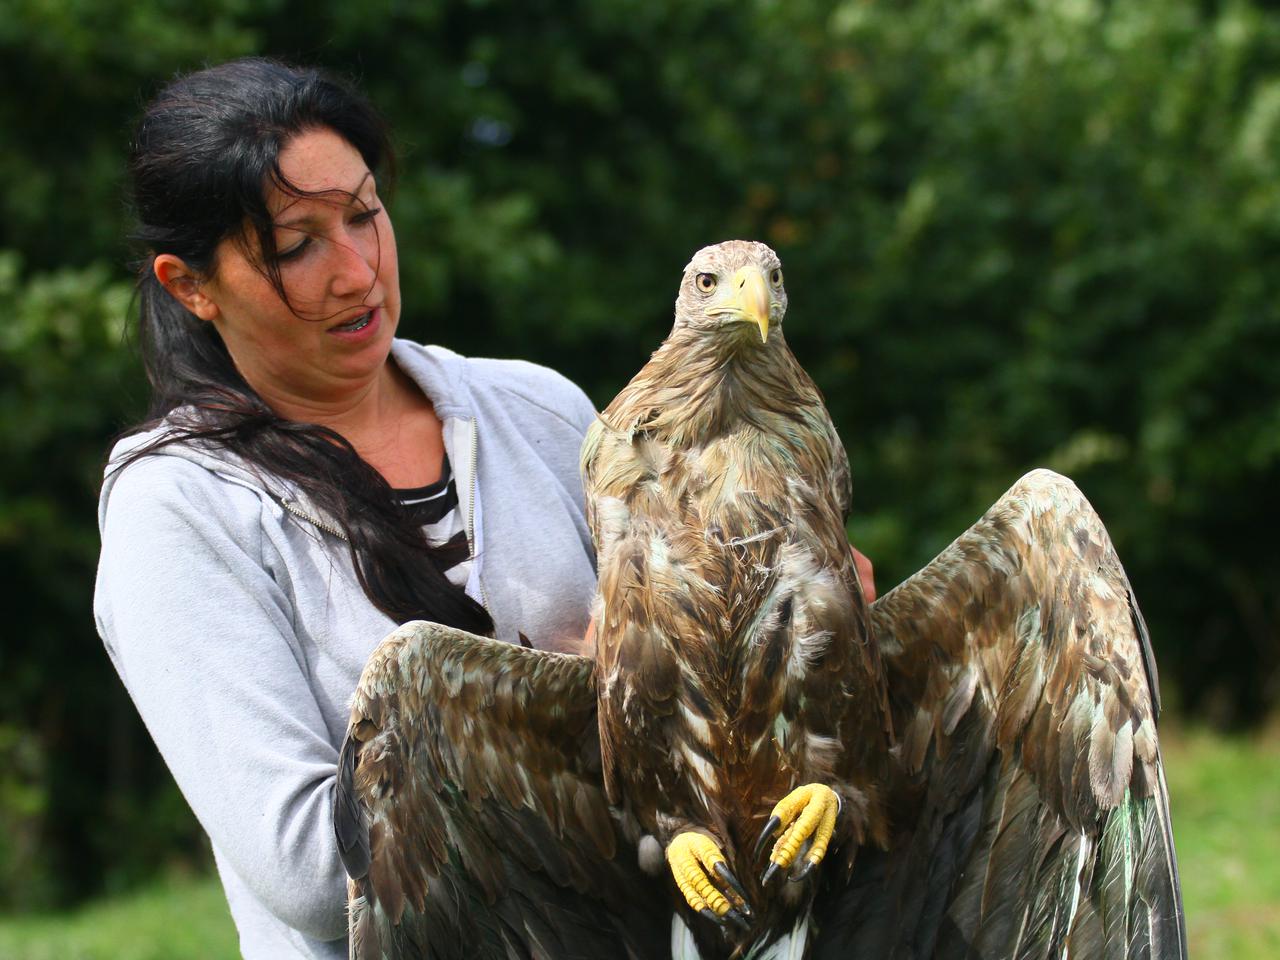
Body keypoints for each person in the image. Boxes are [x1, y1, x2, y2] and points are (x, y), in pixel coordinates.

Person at [94, 58, 876, 960]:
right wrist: (603, 719)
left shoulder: (541, 412)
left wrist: (789, 647)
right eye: (296, 246)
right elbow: (315, 876)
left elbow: (700, 715)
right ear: (191, 285)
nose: (355, 271)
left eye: (363, 214)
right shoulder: (179, 507)